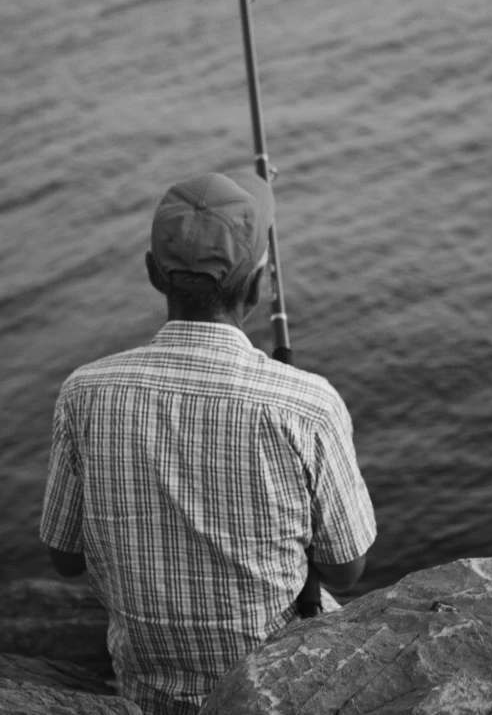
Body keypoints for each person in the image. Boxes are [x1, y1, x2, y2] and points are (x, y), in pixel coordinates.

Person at [40, 171, 377, 715]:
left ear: (154, 273)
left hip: (145, 690)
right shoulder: (307, 404)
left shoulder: (83, 392)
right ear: (261, 283)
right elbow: (346, 568)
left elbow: (64, 557)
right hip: (277, 689)